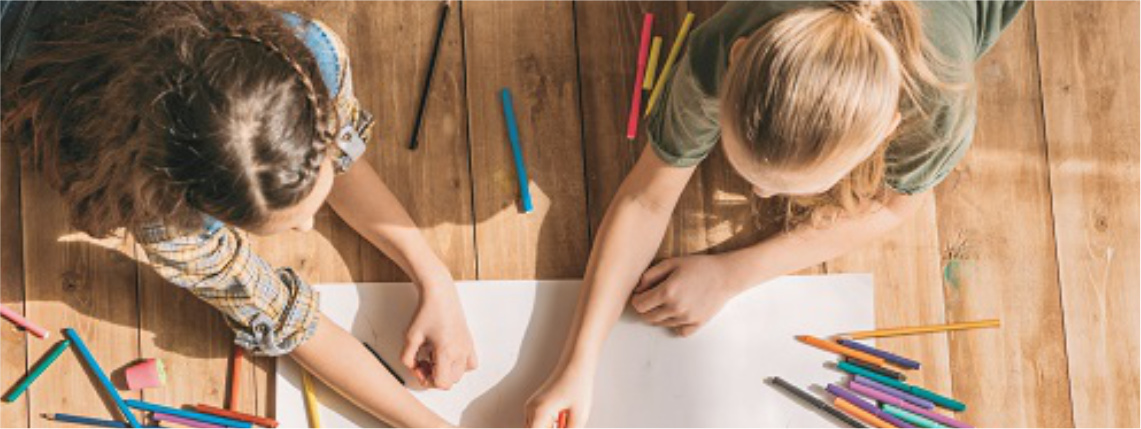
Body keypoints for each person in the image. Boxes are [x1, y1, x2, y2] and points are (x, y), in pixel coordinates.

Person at [525, 1, 1024, 426]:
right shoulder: (719, 48)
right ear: (739, 58)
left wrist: (733, 273)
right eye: (746, 168)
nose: (759, 195)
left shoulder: (936, 109)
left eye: (788, 186)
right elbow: (645, 197)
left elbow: (891, 206)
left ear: (887, 129)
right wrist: (577, 363)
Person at [2, 2, 475, 426]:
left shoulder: (313, 53)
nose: (309, 226)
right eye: (290, 220)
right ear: (190, 199)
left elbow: (340, 156)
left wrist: (435, 278)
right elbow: (281, 315)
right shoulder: (167, 220)